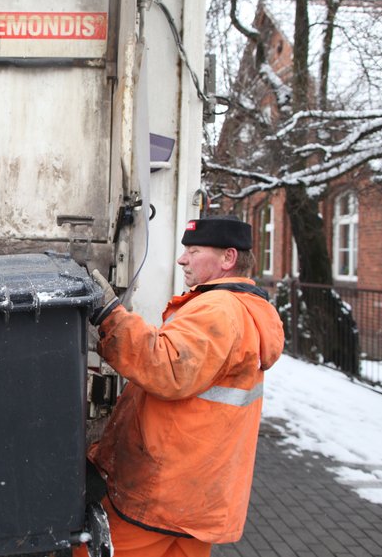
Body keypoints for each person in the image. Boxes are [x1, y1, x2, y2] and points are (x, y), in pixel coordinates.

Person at [77, 215, 284, 557]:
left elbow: (166, 367)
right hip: (197, 495)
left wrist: (109, 313)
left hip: (163, 492)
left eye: (194, 250)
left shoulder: (219, 310)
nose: (182, 259)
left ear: (228, 258)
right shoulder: (243, 309)